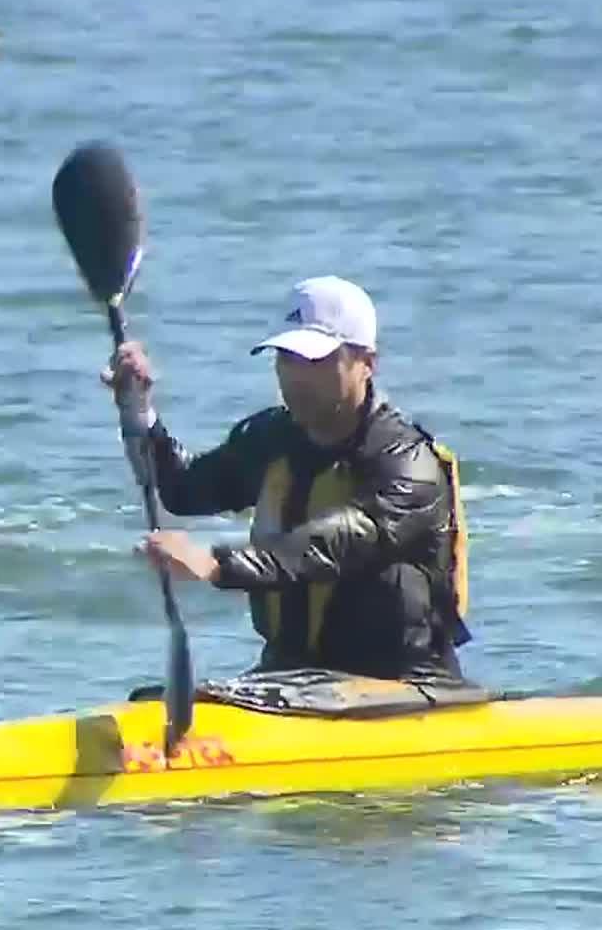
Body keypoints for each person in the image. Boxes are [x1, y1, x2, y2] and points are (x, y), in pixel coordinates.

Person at [101, 275, 474, 690]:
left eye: (315, 362)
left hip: (402, 686)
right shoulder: (272, 439)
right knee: (150, 701)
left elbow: (329, 544)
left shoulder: (407, 462)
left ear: (367, 362)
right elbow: (181, 489)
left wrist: (216, 564)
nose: (296, 378)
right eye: (287, 360)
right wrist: (138, 410)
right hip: (292, 680)